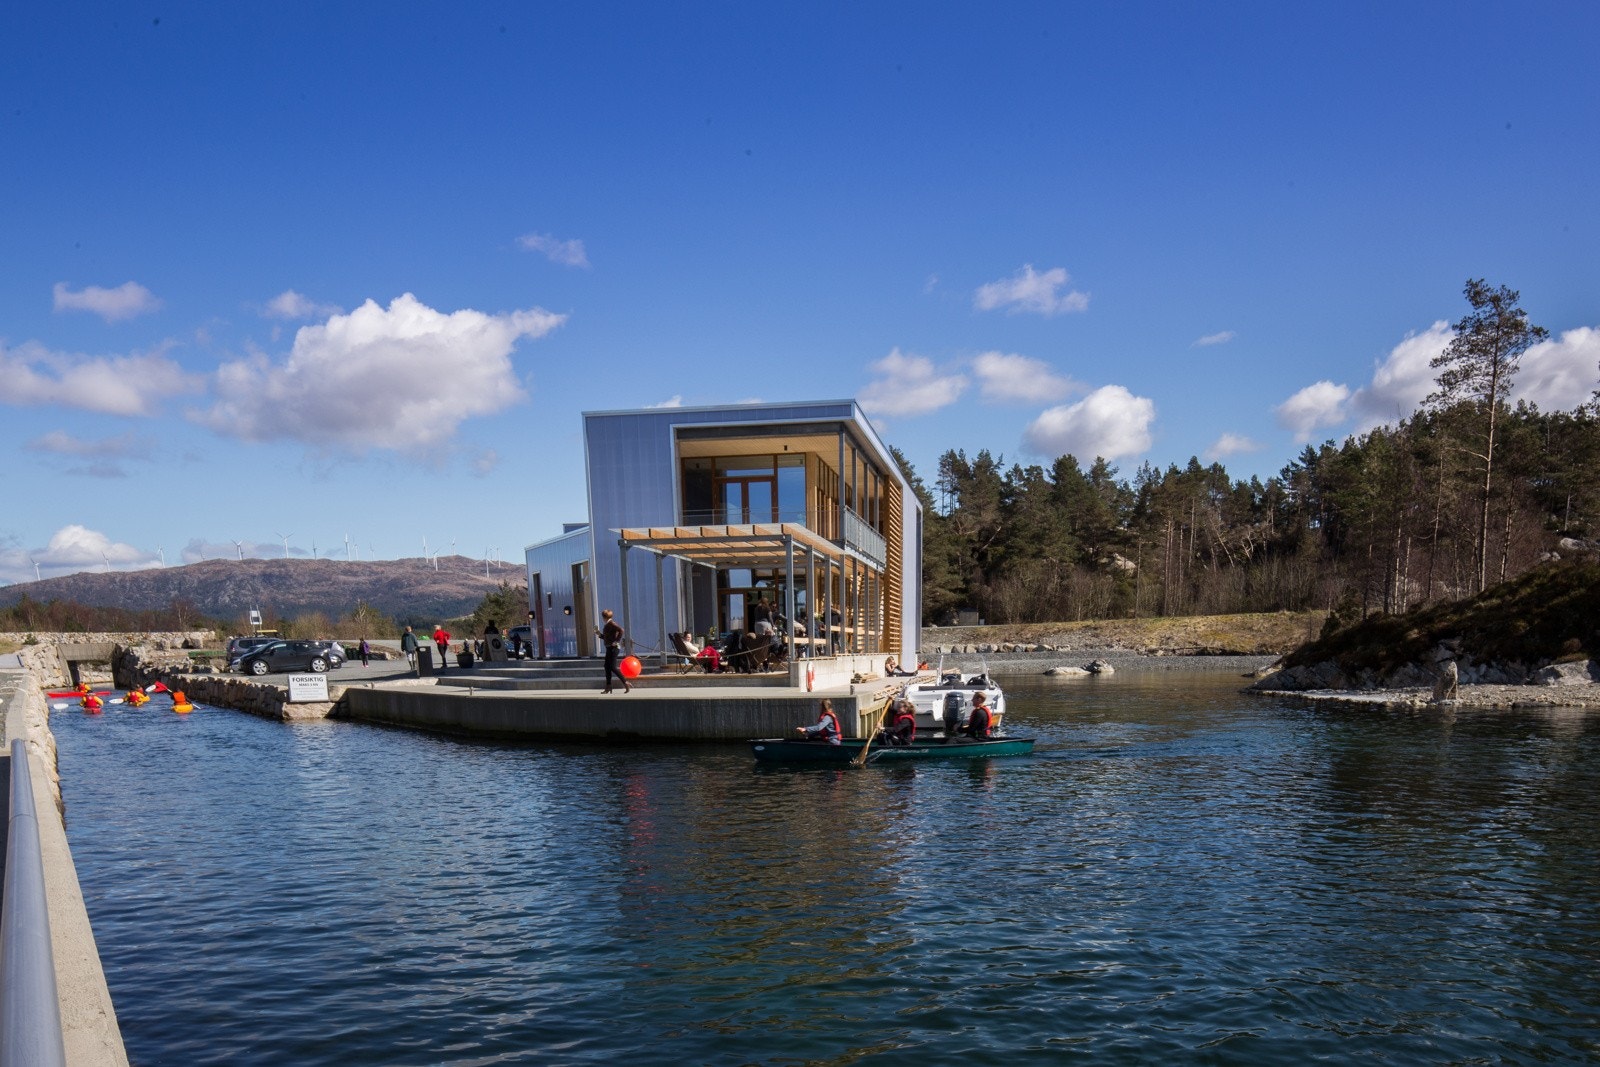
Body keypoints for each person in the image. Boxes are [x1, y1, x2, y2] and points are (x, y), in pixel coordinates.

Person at [597, 608, 629, 693]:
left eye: (603, 617)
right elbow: (608, 637)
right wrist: (600, 635)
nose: (602, 619)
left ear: (605, 617)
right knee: (607, 667)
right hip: (609, 647)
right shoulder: (608, 624)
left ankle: (625, 682)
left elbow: (621, 630)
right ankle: (608, 687)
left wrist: (616, 641)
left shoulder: (611, 623)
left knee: (612, 667)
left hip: (613, 648)